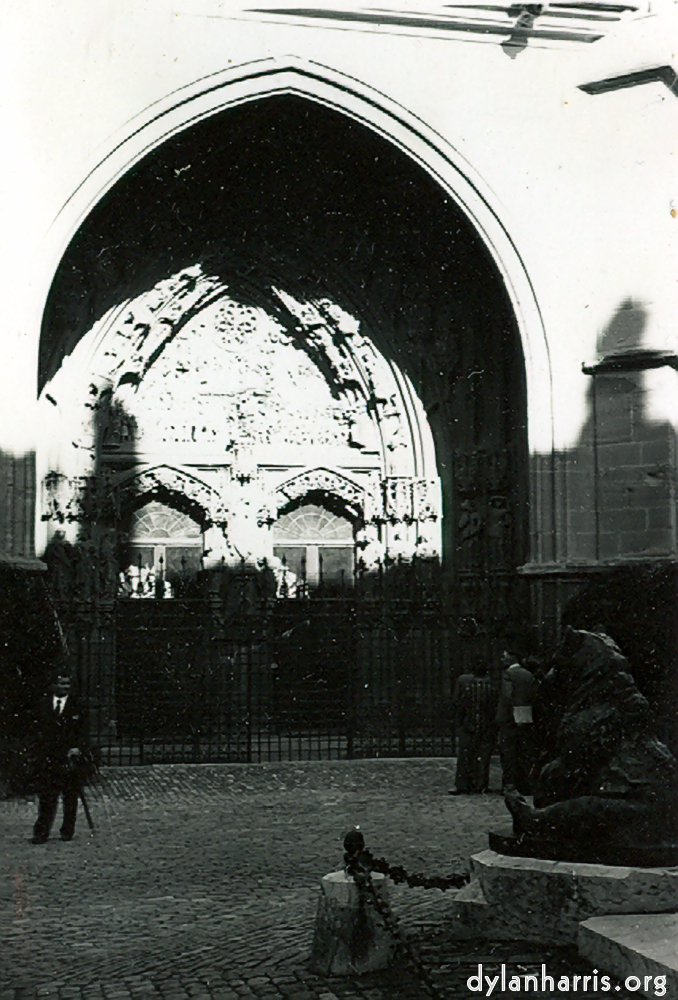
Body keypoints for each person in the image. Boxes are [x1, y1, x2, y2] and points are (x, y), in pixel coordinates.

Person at [31, 673, 89, 844]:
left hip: (69, 757)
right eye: (62, 683)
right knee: (47, 796)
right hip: (49, 758)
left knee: (70, 796)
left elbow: (84, 731)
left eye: (68, 684)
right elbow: (36, 729)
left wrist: (78, 748)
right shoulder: (43, 705)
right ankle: (41, 832)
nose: (65, 687)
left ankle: (67, 830)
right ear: (53, 685)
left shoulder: (77, 705)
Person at [450, 661, 498, 794]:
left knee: (465, 755)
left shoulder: (467, 688)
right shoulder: (491, 688)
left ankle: (463, 784)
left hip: (468, 724)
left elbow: (459, 705)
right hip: (486, 725)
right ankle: (481, 784)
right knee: (484, 756)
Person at [496, 649, 536, 796]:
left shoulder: (508, 675)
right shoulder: (528, 674)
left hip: (510, 718)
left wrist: (507, 714)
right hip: (525, 715)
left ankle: (509, 785)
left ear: (511, 658)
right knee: (524, 752)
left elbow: (507, 696)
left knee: (508, 753)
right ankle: (525, 784)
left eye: (504, 656)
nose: (502, 659)